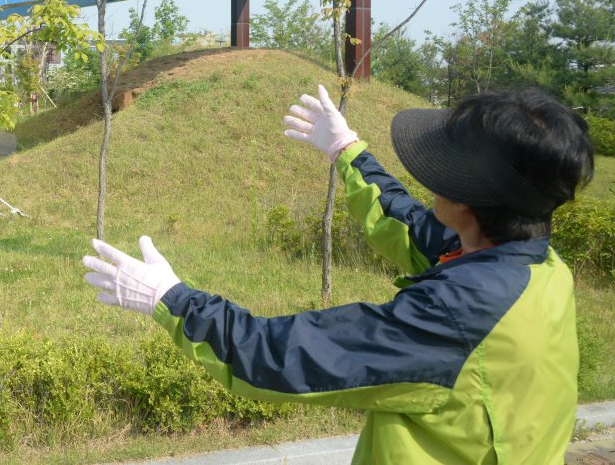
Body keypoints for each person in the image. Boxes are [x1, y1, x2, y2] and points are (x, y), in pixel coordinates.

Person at [83, 85, 594, 464]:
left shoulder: (455, 315)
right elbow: (413, 226)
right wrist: (348, 152)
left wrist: (170, 299)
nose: (429, 174)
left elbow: (279, 357)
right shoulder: (537, 267)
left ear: (466, 200)